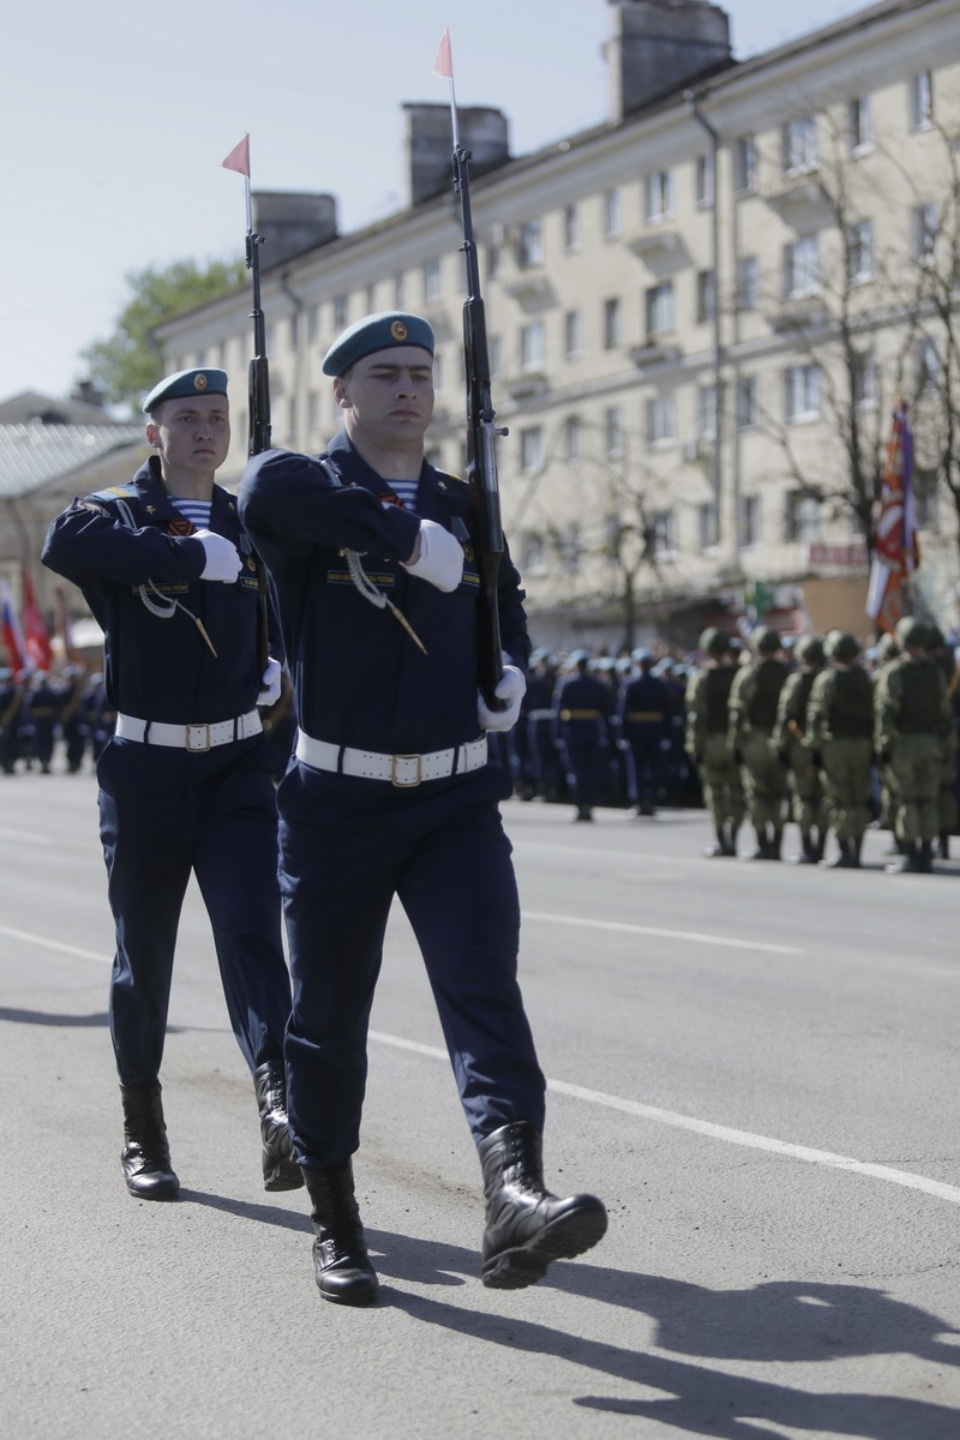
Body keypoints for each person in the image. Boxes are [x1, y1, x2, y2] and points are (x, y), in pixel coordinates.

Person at [238, 312, 607, 1307]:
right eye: (384, 375)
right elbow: (263, 484)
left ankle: (514, 1197)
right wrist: (404, 538)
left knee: (485, 994)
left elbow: (504, 602)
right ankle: (336, 1218)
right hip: (338, 805)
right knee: (328, 1021)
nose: (407, 389)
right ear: (342, 394)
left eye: (420, 373)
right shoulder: (307, 491)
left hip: (455, 799)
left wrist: (511, 669)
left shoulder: (465, 502)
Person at [41, 367, 301, 1201]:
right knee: (143, 955)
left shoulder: (247, 520)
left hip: (236, 768)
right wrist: (185, 555)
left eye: (216, 417)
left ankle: (280, 1109)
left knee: (253, 935)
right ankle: (142, 1128)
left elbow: (281, 610)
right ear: (155, 433)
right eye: (186, 417)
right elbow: (61, 544)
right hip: (147, 769)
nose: (205, 430)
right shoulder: (119, 512)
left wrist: (275, 662)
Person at [874, 616, 952, 874]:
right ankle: (927, 855)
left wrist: (883, 745)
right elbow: (944, 713)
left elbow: (887, 711)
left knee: (907, 800)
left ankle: (911, 856)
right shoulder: (935, 672)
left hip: (904, 745)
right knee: (928, 800)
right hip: (931, 745)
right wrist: (945, 746)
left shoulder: (894, 672)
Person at [805, 631, 875, 869]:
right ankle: (857, 851)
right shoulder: (864, 678)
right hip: (862, 745)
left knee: (839, 800)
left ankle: (846, 851)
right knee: (859, 799)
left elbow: (816, 715)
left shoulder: (827, 679)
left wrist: (814, 747)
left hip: (836, 746)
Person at [728, 626, 791, 859]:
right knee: (778, 794)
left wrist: (735, 744)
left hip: (754, 740)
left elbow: (737, 713)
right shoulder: (788, 674)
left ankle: (763, 844)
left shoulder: (747, 674)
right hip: (780, 740)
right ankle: (777, 844)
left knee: (757, 794)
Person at [684, 628, 744, 856]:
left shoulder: (702, 678)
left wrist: (694, 745)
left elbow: (695, 716)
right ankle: (734, 838)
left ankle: (722, 840)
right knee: (736, 792)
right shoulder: (739, 675)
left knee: (715, 793)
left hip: (711, 741)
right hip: (735, 741)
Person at [773, 635, 827, 864]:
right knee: (823, 798)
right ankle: (820, 848)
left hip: (801, 746)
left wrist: (780, 744)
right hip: (826, 746)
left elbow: (786, 714)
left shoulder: (796, 680)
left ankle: (807, 848)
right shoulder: (828, 677)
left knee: (803, 798)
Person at [554, 650, 614, 821]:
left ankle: (580, 805)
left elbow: (558, 711)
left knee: (577, 770)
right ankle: (589, 805)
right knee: (591, 770)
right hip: (593, 731)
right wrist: (607, 734)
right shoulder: (598, 684)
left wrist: (557, 733)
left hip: (573, 731)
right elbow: (607, 711)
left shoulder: (567, 683)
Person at [618, 648, 670, 816]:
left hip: (636, 731)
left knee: (637, 768)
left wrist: (623, 734)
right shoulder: (659, 684)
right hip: (655, 731)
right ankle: (652, 800)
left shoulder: (631, 683)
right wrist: (666, 734)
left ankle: (639, 801)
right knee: (654, 767)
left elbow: (623, 712)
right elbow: (667, 712)